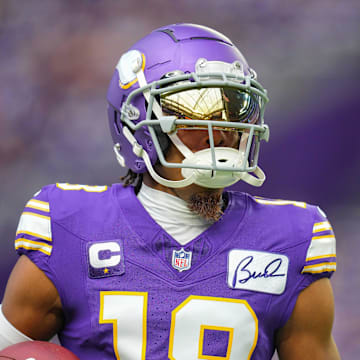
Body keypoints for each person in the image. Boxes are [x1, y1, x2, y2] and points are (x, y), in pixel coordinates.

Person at [0, 23, 340, 359]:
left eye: (235, 107)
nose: (221, 130)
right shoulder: (70, 227)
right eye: (197, 109)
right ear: (138, 126)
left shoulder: (291, 240)